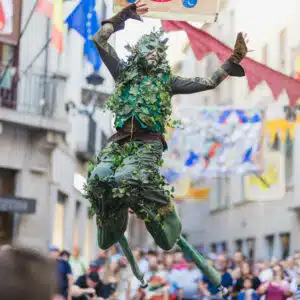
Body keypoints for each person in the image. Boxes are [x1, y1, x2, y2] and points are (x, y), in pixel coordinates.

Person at [86, 0, 248, 290]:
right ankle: (112, 219)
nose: (153, 53)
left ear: (162, 56)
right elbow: (99, 39)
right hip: (119, 142)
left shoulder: (167, 81)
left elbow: (208, 81)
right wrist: (122, 16)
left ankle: (162, 209)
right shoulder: (123, 72)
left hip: (147, 145)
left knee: (128, 177)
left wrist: (232, 62)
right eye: (148, 48)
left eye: (158, 50)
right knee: (98, 177)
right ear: (138, 52)